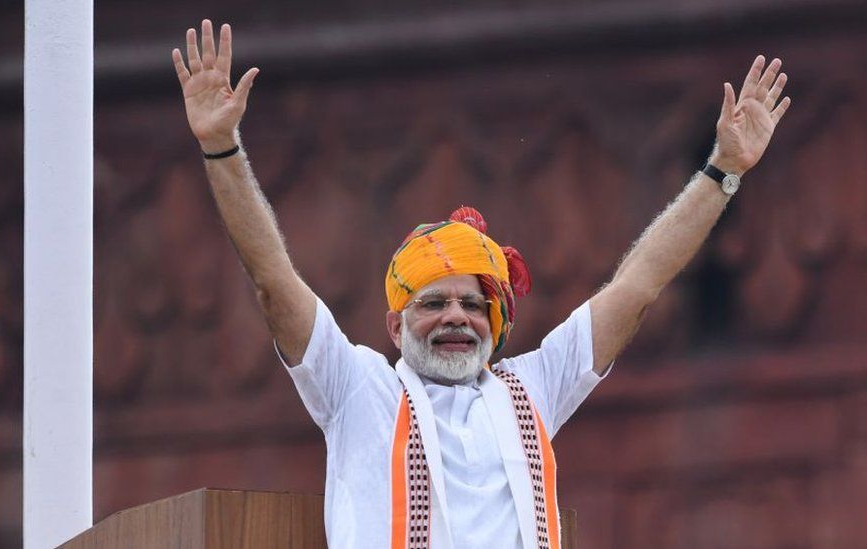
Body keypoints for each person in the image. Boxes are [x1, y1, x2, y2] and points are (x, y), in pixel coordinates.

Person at [171, 19, 791, 549]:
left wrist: (723, 171)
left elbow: (638, 286)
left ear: (494, 320)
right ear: (395, 325)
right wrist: (222, 147)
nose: (456, 317)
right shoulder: (357, 388)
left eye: (473, 303)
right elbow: (273, 282)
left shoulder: (530, 391)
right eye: (432, 302)